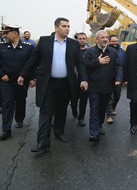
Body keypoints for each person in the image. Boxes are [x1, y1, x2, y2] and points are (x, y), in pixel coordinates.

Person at [18, 17, 88, 153]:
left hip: (65, 84)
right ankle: (43, 142)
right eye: (64, 26)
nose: (67, 28)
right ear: (56, 27)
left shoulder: (74, 44)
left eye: (68, 26)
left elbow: (80, 63)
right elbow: (33, 60)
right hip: (48, 83)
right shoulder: (45, 41)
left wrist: (83, 79)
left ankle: (59, 132)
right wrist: (23, 75)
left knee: (61, 110)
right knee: (45, 111)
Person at [84, 30, 122, 142]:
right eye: (102, 37)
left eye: (106, 37)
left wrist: (118, 78)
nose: (105, 39)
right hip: (94, 86)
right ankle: (93, 133)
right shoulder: (90, 52)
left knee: (102, 109)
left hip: (108, 86)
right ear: (97, 40)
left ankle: (99, 125)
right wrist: (97, 62)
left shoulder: (113, 52)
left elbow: (118, 66)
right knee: (94, 109)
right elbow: (84, 65)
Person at [0, 24, 35, 140]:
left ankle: (19, 119)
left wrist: (31, 79)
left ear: (14, 34)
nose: (5, 35)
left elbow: (32, 65)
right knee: (7, 104)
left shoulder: (28, 47)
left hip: (21, 81)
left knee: (20, 101)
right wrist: (2, 75)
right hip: (6, 81)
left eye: (7, 33)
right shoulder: (2, 47)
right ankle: (6, 129)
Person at [106, 34, 125, 124]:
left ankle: (113, 107)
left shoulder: (121, 51)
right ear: (109, 41)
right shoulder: (106, 51)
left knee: (117, 95)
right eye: (113, 41)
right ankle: (109, 114)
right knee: (110, 96)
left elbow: (124, 64)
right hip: (108, 77)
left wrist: (124, 78)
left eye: (116, 41)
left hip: (119, 77)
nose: (115, 43)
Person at [75, 32, 90, 127]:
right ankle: (73, 111)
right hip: (73, 80)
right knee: (72, 99)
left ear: (86, 39)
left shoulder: (91, 51)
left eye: (83, 38)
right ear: (76, 40)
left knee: (83, 101)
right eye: (80, 38)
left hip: (85, 80)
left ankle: (81, 117)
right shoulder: (72, 51)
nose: (82, 40)